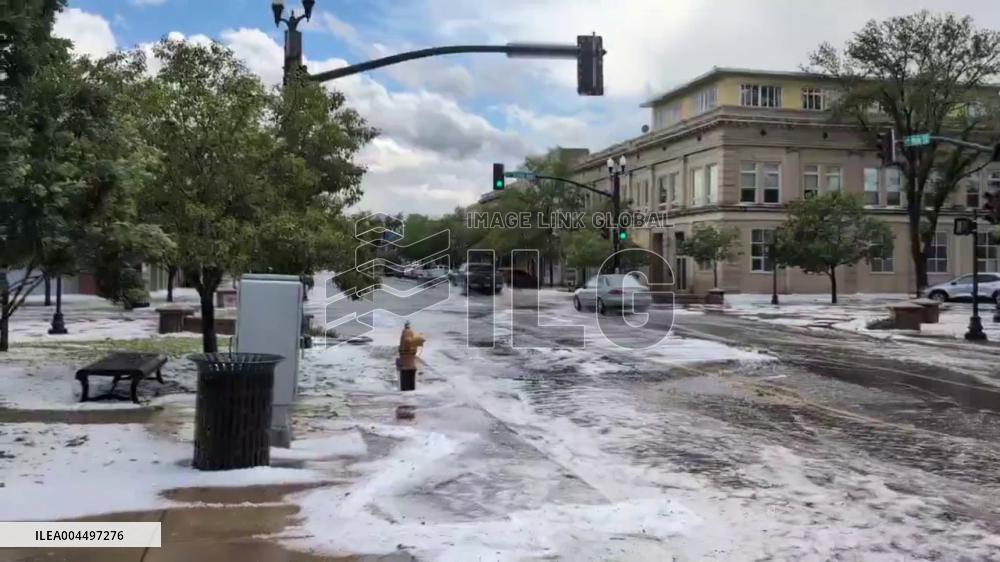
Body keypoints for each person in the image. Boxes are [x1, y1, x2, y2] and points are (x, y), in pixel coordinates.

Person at [397, 320, 426, 391]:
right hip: (407, 362)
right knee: (409, 375)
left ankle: (408, 392)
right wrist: (418, 341)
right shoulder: (408, 332)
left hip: (407, 361)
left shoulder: (406, 332)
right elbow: (408, 341)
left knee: (407, 374)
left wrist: (418, 341)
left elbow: (407, 341)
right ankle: (409, 392)